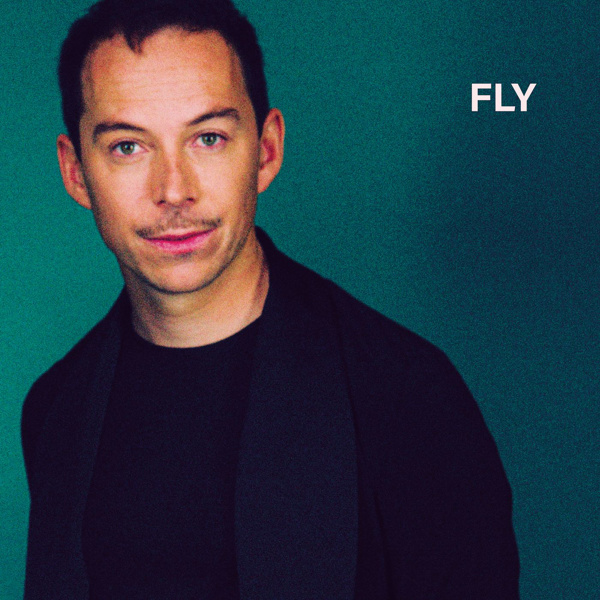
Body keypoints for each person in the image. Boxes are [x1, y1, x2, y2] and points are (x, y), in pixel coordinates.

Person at [21, 0, 520, 598]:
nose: (173, 190)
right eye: (128, 146)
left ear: (266, 150)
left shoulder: (408, 396)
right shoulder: (55, 410)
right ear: (76, 172)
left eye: (208, 138)